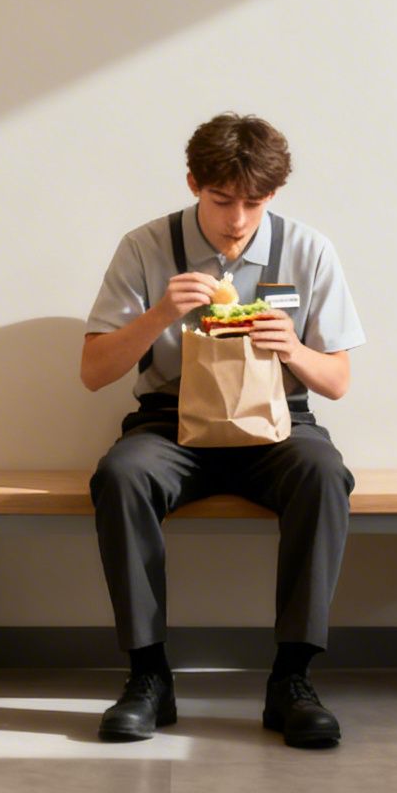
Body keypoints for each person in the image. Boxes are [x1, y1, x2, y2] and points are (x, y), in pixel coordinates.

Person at [80, 112, 365, 748]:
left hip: (278, 425)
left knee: (324, 474)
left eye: (254, 202)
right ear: (192, 183)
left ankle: (292, 679)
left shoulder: (307, 248)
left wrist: (290, 347)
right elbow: (93, 371)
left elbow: (338, 380)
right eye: (221, 200)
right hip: (168, 425)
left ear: (275, 196)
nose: (237, 219)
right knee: (120, 476)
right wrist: (159, 315)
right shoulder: (145, 248)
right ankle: (148, 678)